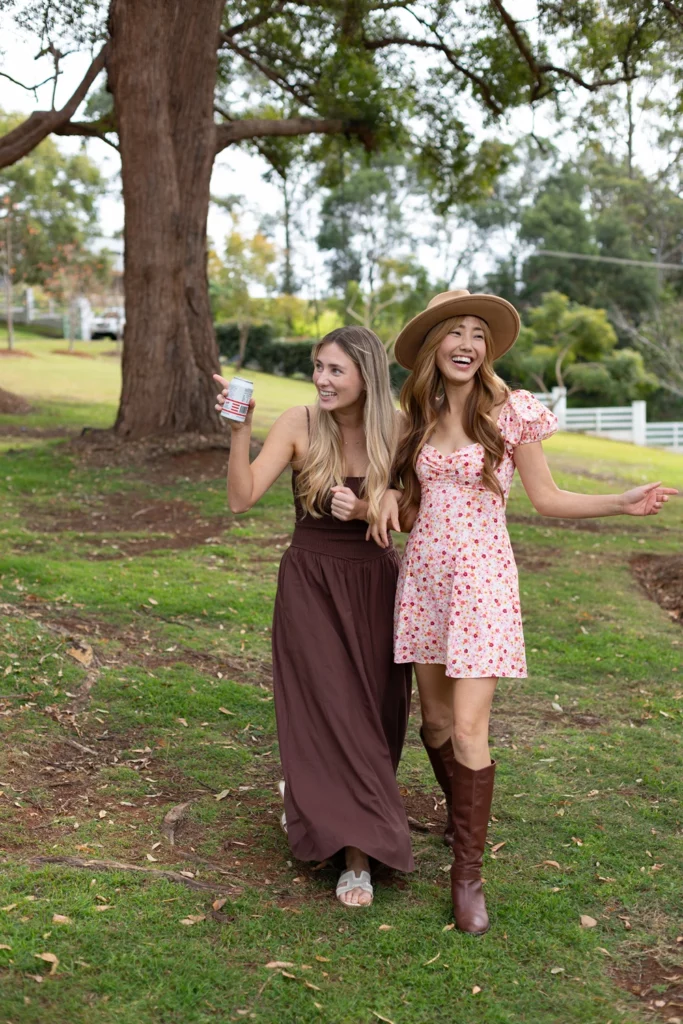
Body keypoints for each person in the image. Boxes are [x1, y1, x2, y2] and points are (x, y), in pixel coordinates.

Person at [370, 289, 676, 935]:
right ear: (432, 348)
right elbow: (405, 505)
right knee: (433, 724)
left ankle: (466, 873)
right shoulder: (414, 418)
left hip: (482, 582)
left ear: (486, 350)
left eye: (477, 333)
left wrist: (619, 502)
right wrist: (379, 501)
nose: (466, 343)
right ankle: (461, 825)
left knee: (470, 727)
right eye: (453, 332)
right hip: (425, 581)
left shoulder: (509, 414)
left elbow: (546, 498)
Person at [213, 326, 414, 909]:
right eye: (318, 367)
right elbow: (240, 497)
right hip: (311, 583)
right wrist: (241, 431)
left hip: (375, 583)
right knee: (333, 707)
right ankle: (356, 855)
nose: (322, 380)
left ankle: (325, 803)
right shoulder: (299, 423)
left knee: (376, 714)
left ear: (366, 376)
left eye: (335, 370)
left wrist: (370, 508)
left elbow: (416, 512)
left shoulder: (398, 429)